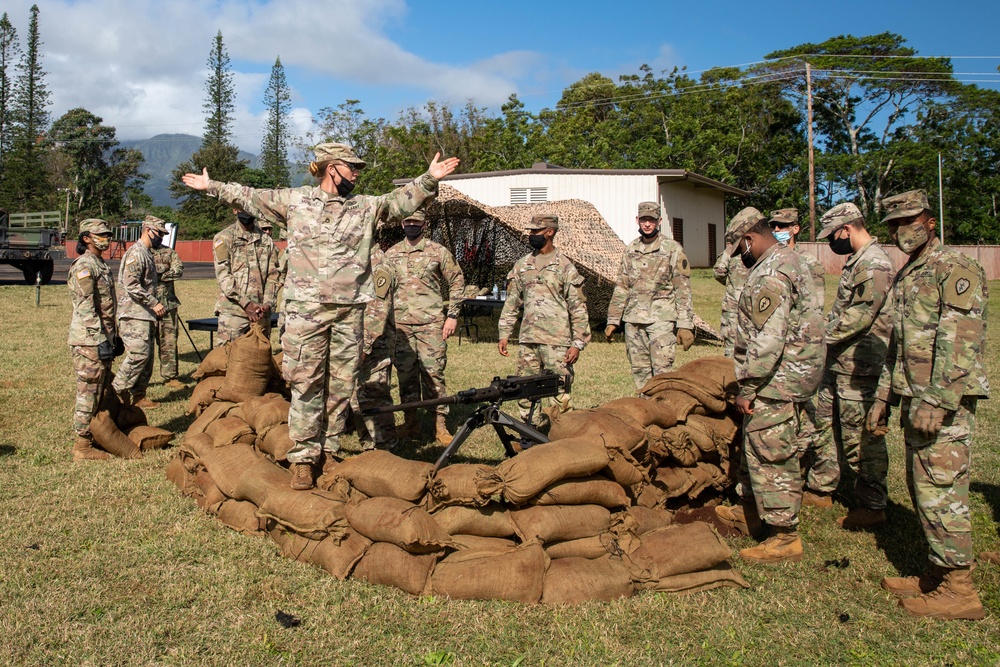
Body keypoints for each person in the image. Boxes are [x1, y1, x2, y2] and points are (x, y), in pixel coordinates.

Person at [182, 143, 459, 491]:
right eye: (352, 168)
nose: (357, 174)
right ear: (332, 168)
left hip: (349, 312)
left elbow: (397, 203)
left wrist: (428, 179)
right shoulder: (296, 201)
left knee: (341, 386)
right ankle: (302, 458)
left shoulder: (364, 207)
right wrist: (213, 187)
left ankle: (328, 449)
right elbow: (251, 197)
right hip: (306, 312)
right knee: (306, 381)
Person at [872, 189, 989, 620]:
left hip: (942, 402)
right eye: (894, 224)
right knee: (924, 488)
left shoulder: (954, 266)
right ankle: (939, 572)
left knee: (943, 493)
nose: (902, 230)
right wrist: (884, 395)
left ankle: (960, 590)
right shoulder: (911, 273)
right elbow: (898, 343)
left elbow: (961, 336)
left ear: (930, 220)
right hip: (914, 396)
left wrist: (939, 400)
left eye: (909, 220)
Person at [725, 210, 826, 563]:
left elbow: (768, 338)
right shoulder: (794, 261)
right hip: (793, 374)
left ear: (750, 239)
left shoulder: (771, 273)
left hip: (775, 378)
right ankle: (752, 512)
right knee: (761, 445)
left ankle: (785, 536)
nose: (741, 256)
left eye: (741, 249)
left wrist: (748, 386)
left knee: (771, 452)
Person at [802, 203, 894, 526]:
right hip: (838, 360)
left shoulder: (874, 263)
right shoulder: (856, 261)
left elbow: (858, 317)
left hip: (860, 366)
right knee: (825, 425)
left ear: (847, 228)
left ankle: (872, 504)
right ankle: (822, 486)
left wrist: (819, 337)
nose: (831, 242)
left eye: (832, 235)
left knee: (860, 437)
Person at [498, 213, 591, 422]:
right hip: (528, 340)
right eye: (530, 231)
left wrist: (577, 343)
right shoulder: (522, 265)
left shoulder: (565, 267)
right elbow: (512, 302)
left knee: (560, 391)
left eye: (535, 231)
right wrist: (504, 333)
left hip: (557, 342)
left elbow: (578, 307)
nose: (531, 235)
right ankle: (529, 434)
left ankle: (562, 435)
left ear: (549, 232)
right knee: (526, 390)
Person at [384, 208, 466, 445]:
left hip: (431, 324)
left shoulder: (437, 251)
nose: (411, 225)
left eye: (415, 222)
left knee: (433, 374)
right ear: (402, 225)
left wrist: (452, 315)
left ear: (424, 224)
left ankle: (439, 425)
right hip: (401, 326)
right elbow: (381, 288)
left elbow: (457, 280)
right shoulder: (391, 254)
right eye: (407, 221)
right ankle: (411, 423)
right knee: (406, 375)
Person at [606, 201, 694, 389]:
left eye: (651, 220)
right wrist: (613, 320)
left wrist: (685, 324)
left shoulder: (672, 249)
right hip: (634, 320)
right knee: (639, 371)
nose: (647, 224)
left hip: (661, 320)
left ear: (659, 221)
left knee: (663, 372)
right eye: (644, 220)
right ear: (637, 220)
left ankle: (664, 410)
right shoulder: (631, 249)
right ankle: (646, 409)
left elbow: (682, 289)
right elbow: (622, 286)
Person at [67, 218, 118, 461]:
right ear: (86, 238)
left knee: (99, 389)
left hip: (101, 337)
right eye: (100, 234)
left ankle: (95, 435)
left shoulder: (100, 264)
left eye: (107, 234)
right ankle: (82, 445)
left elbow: (106, 306)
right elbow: (85, 307)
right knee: (89, 390)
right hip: (89, 341)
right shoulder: (84, 266)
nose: (106, 238)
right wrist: (100, 339)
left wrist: (113, 336)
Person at [112, 215, 168, 409]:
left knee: (148, 358)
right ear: (148, 230)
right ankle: (116, 391)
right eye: (159, 233)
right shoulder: (136, 253)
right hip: (133, 313)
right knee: (139, 355)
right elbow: (131, 285)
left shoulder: (147, 253)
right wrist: (153, 303)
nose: (161, 237)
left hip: (145, 314)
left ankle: (139, 396)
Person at [212, 210, 282, 345]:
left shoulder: (266, 240)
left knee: (257, 362)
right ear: (234, 209)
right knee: (227, 360)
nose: (244, 210)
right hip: (234, 312)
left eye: (248, 206)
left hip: (260, 313)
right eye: (240, 207)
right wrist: (246, 304)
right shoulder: (224, 238)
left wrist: (268, 303)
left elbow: (273, 275)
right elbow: (224, 276)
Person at [352, 244, 398, 451]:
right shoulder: (354, 256)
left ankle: (385, 448)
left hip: (374, 347)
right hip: (355, 343)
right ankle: (369, 447)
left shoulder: (379, 264)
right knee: (357, 398)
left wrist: (364, 348)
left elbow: (377, 311)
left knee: (374, 396)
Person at [713, 207, 758, 358]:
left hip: (734, 304)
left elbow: (718, 272)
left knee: (731, 350)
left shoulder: (731, 252)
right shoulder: (760, 250)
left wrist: (732, 284)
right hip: (747, 306)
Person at [769, 208, 825, 308]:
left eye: (782, 225)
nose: (776, 229)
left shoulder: (808, 261)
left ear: (795, 229)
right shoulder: (768, 258)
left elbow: (817, 300)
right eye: (773, 226)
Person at [150, 237, 185, 389]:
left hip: (168, 304)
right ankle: (141, 381)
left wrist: (159, 275)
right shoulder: (142, 252)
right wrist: (163, 270)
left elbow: (178, 270)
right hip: (147, 307)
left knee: (169, 342)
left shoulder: (169, 252)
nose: (159, 236)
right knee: (144, 346)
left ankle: (170, 377)